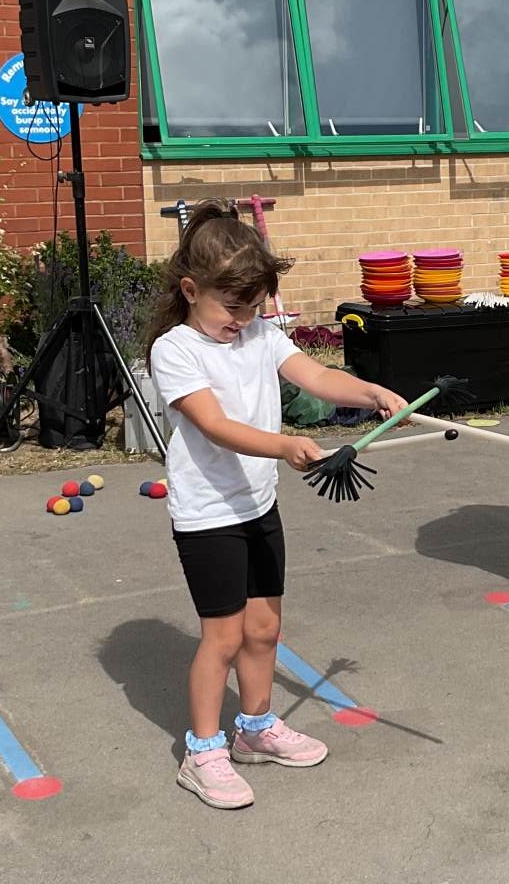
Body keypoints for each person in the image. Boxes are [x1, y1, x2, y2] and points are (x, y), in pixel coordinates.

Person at [146, 204, 407, 809]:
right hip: (208, 515)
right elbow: (215, 426)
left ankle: (256, 729)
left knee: (264, 629)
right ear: (191, 290)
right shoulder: (175, 350)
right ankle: (202, 751)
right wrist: (285, 445)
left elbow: (314, 376)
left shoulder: (261, 335)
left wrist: (369, 391)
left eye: (253, 307)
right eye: (231, 307)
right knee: (223, 637)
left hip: (258, 505)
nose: (242, 320)